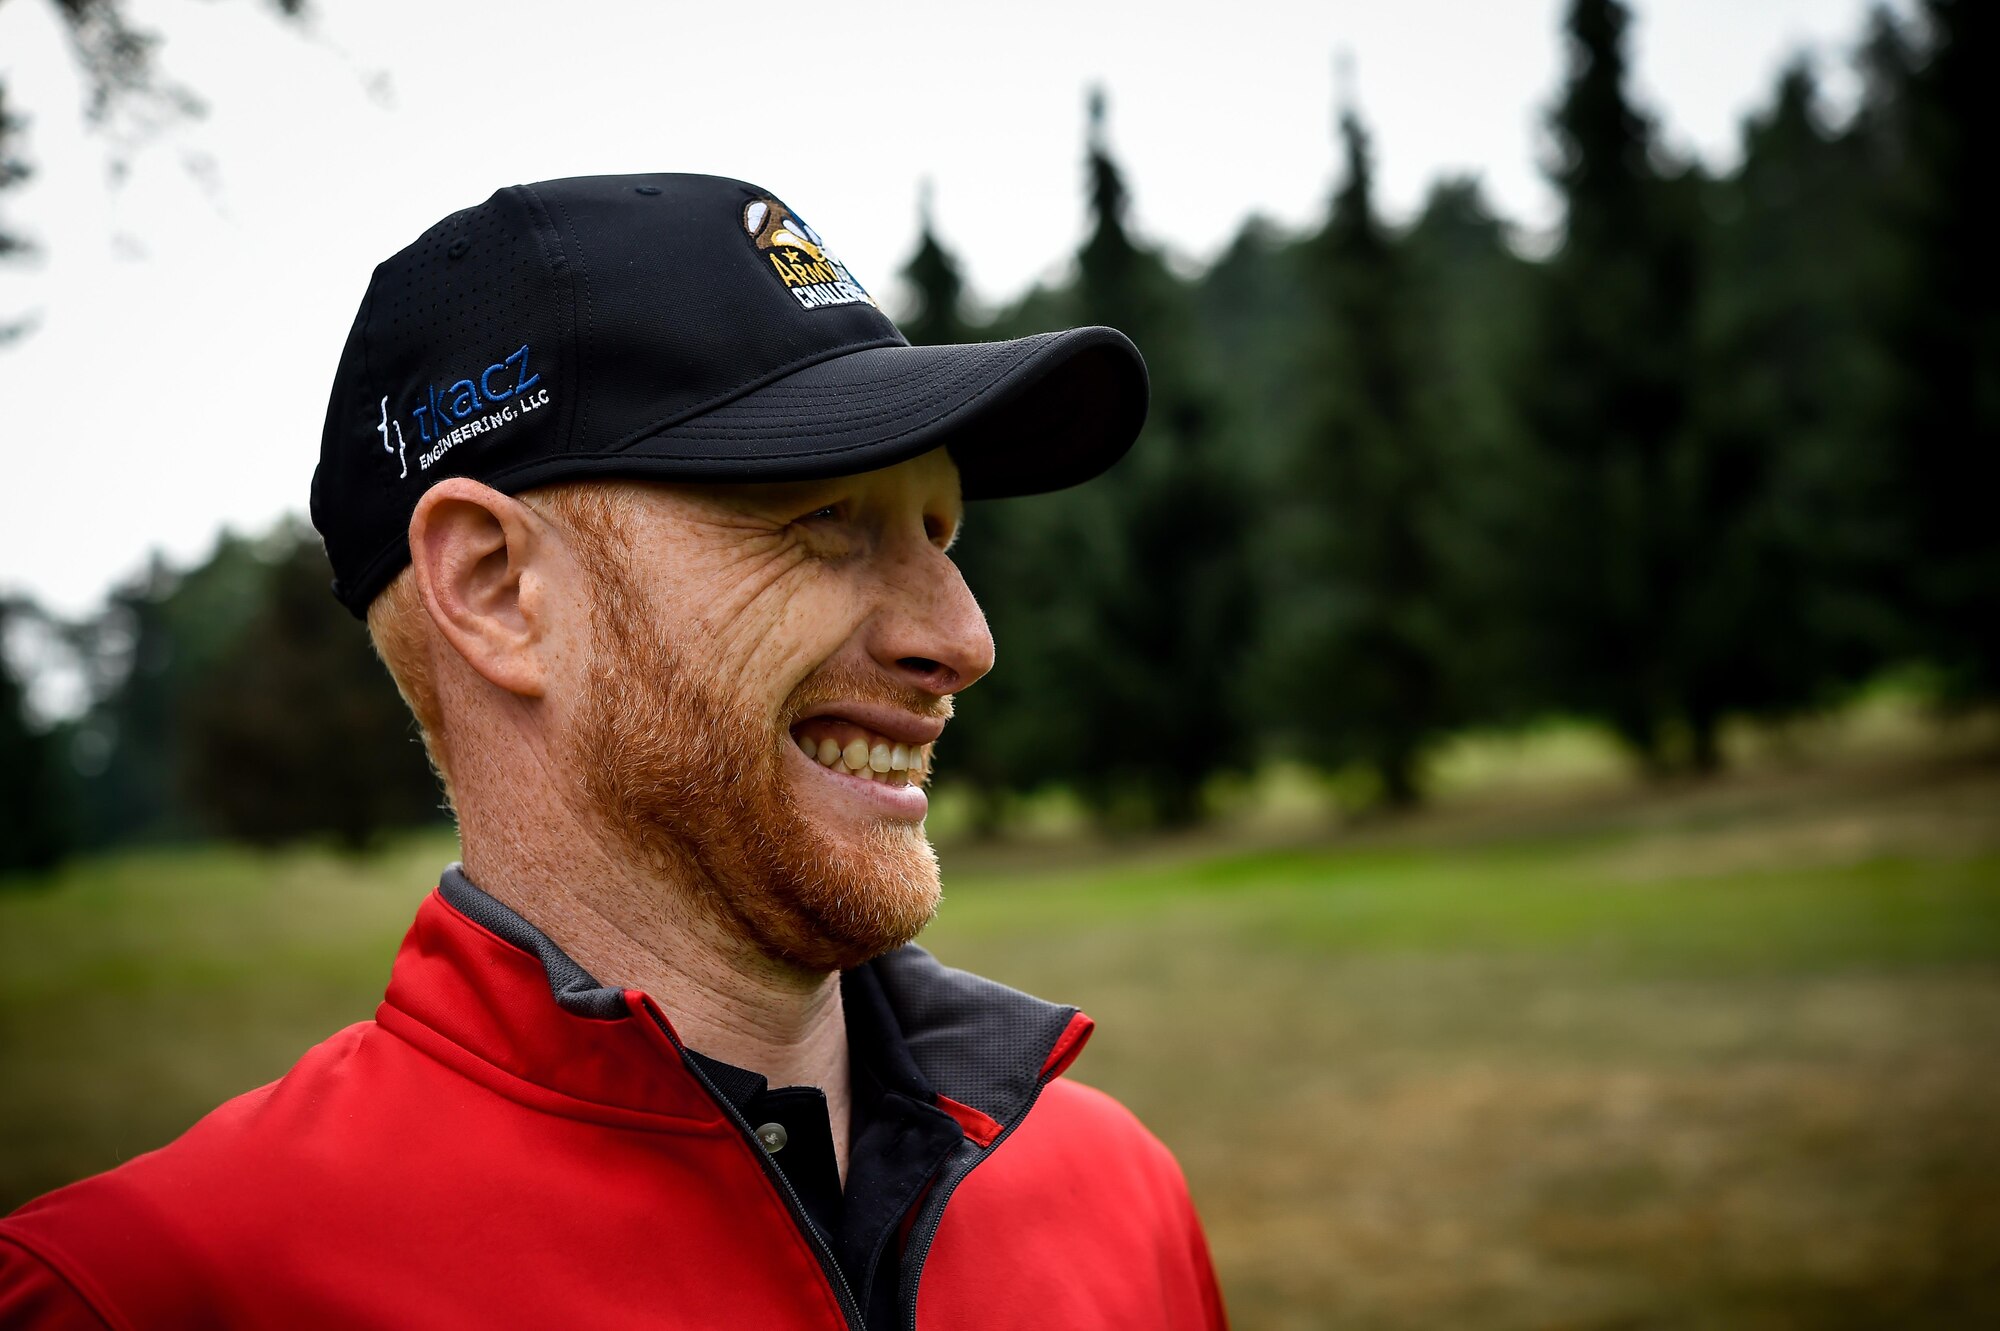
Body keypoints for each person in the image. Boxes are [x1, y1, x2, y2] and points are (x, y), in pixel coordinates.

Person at [0, 173, 1227, 1329]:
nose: (962, 638)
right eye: (823, 521)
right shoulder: (139, 1292)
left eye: (939, 528)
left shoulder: (1114, 1190)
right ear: (495, 589)